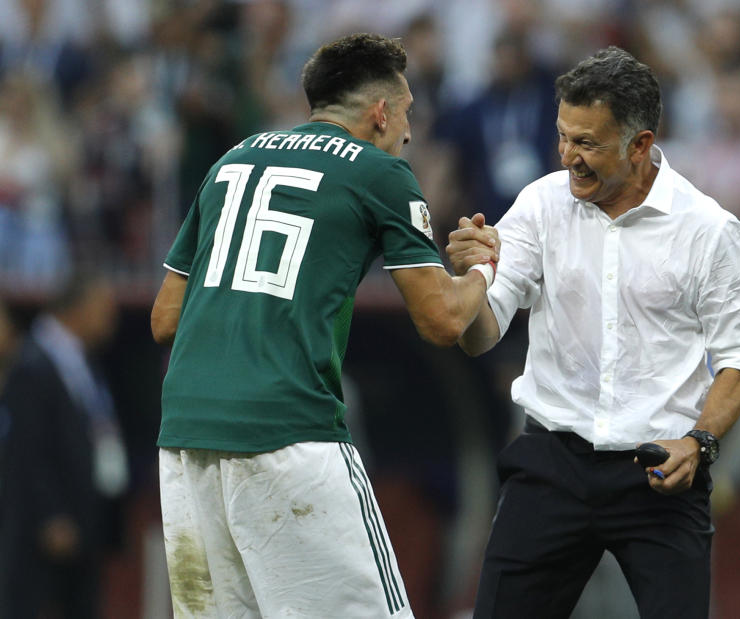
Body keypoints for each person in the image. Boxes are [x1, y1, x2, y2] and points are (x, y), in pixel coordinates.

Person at [149, 33, 499, 618]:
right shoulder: (381, 172)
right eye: (407, 111)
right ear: (382, 111)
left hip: (185, 439)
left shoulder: (231, 161)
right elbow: (442, 321)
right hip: (289, 431)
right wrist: (483, 270)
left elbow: (164, 319)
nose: (409, 133)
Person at [446, 46, 740, 618]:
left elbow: (738, 363)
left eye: (587, 142)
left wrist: (699, 444)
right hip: (550, 458)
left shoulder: (713, 233)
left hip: (659, 470)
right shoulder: (539, 205)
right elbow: (480, 336)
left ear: (640, 145)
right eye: (563, 136)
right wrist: (468, 281)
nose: (568, 156)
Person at [0, 274, 126, 619]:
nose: (110, 320)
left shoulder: (82, 360)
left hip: (83, 515)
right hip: (44, 527)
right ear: (78, 308)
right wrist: (51, 513)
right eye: (103, 309)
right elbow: (27, 450)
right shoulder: (32, 361)